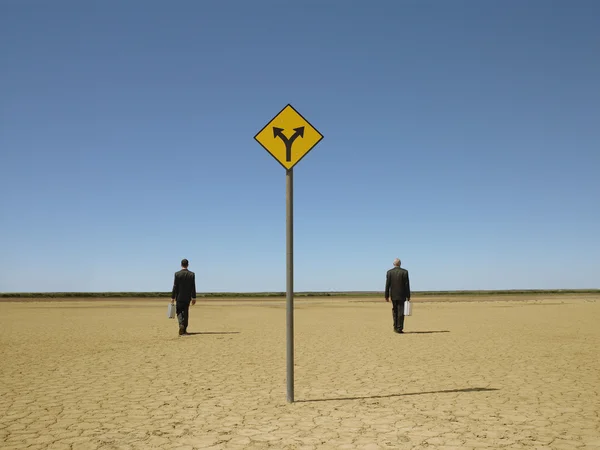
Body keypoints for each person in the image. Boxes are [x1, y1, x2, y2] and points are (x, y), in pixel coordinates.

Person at [170, 258, 197, 336]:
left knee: (179, 312)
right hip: (187, 297)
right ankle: (184, 329)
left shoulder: (177, 274)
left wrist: (172, 297)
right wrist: (194, 297)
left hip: (179, 297)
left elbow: (175, 286)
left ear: (181, 264)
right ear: (187, 265)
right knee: (186, 313)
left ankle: (181, 325)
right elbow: (193, 286)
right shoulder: (191, 274)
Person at [385, 258, 411, 333]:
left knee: (395, 311)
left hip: (393, 295)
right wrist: (408, 295)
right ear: (400, 264)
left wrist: (386, 295)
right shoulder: (405, 272)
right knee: (401, 311)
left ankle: (395, 327)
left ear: (394, 264)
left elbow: (387, 285)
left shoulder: (389, 272)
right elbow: (407, 285)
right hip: (402, 295)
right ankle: (399, 328)